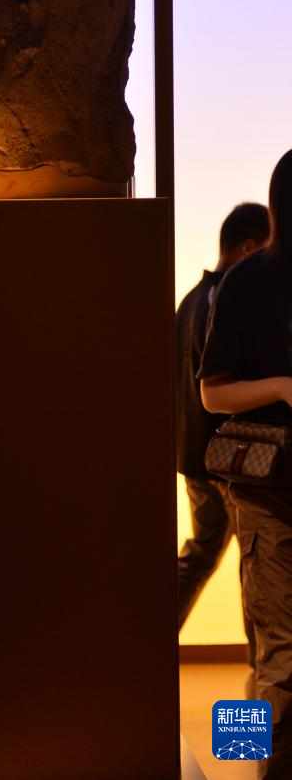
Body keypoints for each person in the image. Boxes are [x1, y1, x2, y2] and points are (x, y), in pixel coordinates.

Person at [200, 150, 292, 779]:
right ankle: (247, 762)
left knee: (262, 643)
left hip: (228, 471)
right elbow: (208, 395)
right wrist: (282, 387)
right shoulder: (238, 288)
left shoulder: (211, 293)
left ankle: (243, 761)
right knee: (272, 649)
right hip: (248, 480)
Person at [177, 202, 269, 628]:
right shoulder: (225, 301)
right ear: (249, 248)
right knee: (257, 566)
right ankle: (263, 660)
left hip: (192, 456)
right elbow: (227, 388)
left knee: (201, 554)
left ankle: (151, 644)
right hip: (227, 460)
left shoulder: (191, 301)